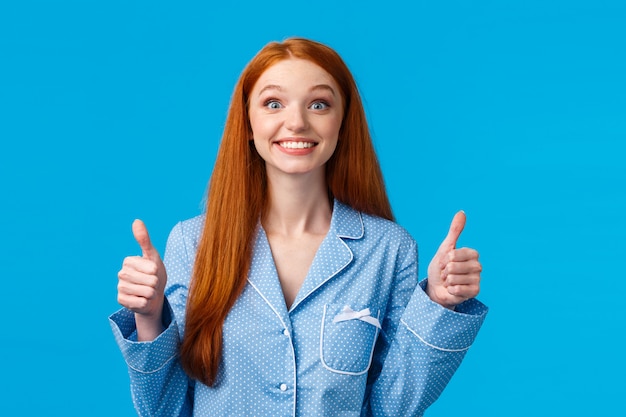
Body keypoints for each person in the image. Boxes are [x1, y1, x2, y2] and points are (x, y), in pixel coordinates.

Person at [110, 37, 488, 417]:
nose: (296, 122)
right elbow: (164, 409)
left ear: (343, 123)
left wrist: (439, 302)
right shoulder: (193, 242)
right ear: (247, 122)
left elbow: (395, 405)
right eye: (273, 103)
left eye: (319, 104)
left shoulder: (389, 249)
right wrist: (149, 315)